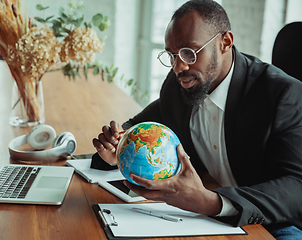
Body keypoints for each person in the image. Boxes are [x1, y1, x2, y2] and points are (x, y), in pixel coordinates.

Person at [92, 0, 302, 238]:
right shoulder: (180, 86)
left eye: (189, 53)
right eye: (171, 55)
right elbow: (135, 127)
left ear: (225, 42)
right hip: (206, 218)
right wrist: (116, 147)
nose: (178, 67)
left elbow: (297, 187)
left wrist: (210, 202)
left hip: (275, 223)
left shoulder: (282, 95)